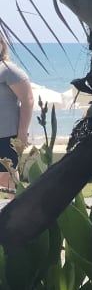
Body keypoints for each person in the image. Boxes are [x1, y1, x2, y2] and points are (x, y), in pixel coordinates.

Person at [0, 32, 34, 193]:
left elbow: (28, 100)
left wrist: (22, 132)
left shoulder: (8, 70)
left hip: (6, 136)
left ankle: (16, 209)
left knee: (8, 178)